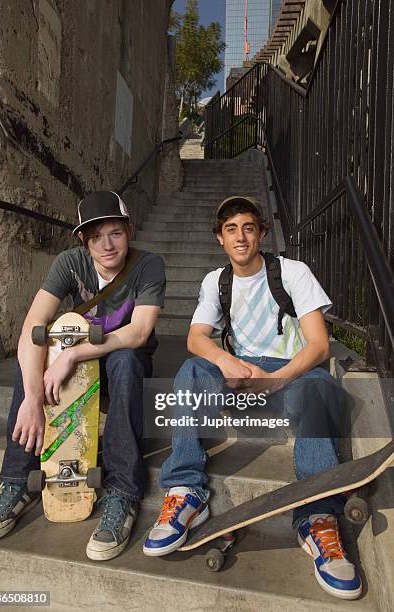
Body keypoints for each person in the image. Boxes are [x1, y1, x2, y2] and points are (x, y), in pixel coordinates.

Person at [143, 196, 362, 600]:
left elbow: (319, 345)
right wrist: (227, 362)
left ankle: (317, 516)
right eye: (230, 229)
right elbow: (195, 339)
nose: (240, 236)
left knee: (317, 387)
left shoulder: (293, 272)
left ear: (262, 233)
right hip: (241, 376)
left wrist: (276, 380)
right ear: (220, 240)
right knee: (192, 371)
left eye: (248, 227)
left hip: (289, 375)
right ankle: (186, 491)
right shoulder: (216, 281)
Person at [0, 190, 165, 561]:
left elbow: (139, 331)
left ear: (129, 231)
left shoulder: (148, 264)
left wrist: (75, 354)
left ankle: (122, 493)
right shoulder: (69, 263)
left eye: (115, 233)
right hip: (81, 361)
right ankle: (18, 482)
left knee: (126, 359)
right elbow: (32, 327)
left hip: (122, 361)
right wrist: (33, 397)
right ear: (83, 240)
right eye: (96, 236)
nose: (107, 244)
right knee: (34, 359)